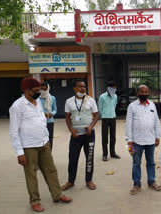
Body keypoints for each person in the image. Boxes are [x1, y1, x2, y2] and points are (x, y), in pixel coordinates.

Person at [9, 77, 72, 212]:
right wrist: (19, 153)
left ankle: (57, 194)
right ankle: (35, 201)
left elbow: (42, 121)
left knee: (51, 170)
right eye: (36, 90)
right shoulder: (17, 107)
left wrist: (46, 139)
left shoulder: (37, 102)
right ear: (26, 90)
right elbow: (13, 132)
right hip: (28, 146)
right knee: (31, 174)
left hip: (43, 144)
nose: (39, 92)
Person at [62, 79, 99, 191]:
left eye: (84, 86)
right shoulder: (69, 101)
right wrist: (71, 131)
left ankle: (89, 180)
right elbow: (67, 118)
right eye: (80, 87)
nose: (83, 89)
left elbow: (96, 116)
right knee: (73, 159)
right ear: (75, 88)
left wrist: (90, 127)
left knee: (89, 158)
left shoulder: (90, 100)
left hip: (89, 135)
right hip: (75, 136)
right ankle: (70, 181)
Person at [125, 85, 161, 195]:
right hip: (136, 141)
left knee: (151, 162)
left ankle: (151, 181)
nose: (144, 94)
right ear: (138, 93)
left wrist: (158, 136)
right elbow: (128, 123)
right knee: (136, 163)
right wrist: (129, 139)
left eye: (146, 92)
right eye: (142, 92)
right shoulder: (132, 106)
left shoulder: (152, 105)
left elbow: (156, 121)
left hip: (150, 139)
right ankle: (136, 184)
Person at [98, 81, 120, 161]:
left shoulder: (115, 96)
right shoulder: (102, 97)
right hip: (105, 118)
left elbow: (114, 105)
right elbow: (100, 108)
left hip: (113, 118)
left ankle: (113, 153)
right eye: (113, 88)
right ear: (108, 88)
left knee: (113, 136)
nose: (114, 90)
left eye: (115, 88)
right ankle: (104, 154)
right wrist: (104, 114)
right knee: (104, 137)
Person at [40, 82, 57, 151]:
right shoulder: (37, 99)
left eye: (45, 89)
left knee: (49, 138)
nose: (44, 91)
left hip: (50, 121)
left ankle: (49, 152)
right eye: (42, 89)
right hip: (39, 122)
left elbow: (55, 109)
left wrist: (51, 113)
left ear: (48, 89)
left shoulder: (52, 98)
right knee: (40, 138)